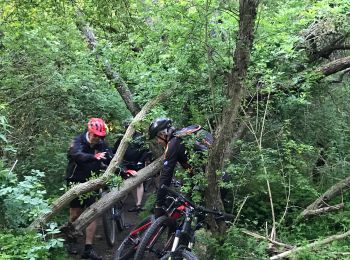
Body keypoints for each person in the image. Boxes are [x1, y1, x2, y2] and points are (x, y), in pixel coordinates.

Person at [65, 118, 112, 260]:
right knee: (75, 214)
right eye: (95, 135)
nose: (97, 139)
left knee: (93, 212)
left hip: (93, 182)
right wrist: (94, 157)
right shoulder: (78, 140)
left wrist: (124, 171)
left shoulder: (102, 144)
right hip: (75, 181)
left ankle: (88, 248)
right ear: (89, 132)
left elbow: (111, 158)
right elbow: (76, 155)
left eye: (100, 137)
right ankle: (71, 240)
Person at [148, 118, 192, 217]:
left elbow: (166, 175)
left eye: (157, 138)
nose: (158, 142)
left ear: (162, 134)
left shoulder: (173, 144)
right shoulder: (182, 134)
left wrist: (158, 205)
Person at [114, 123, 151, 213]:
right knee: (128, 183)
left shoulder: (140, 137)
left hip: (137, 163)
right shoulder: (122, 138)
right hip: (126, 164)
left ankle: (138, 204)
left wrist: (141, 161)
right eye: (127, 128)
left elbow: (146, 150)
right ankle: (122, 203)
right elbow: (115, 150)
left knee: (139, 183)